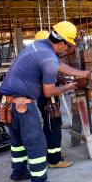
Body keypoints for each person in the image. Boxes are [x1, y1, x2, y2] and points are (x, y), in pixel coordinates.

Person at [0, 21, 90, 182]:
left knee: (18, 142)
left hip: (7, 103)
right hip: (22, 105)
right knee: (37, 144)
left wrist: (81, 74)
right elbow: (49, 92)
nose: (68, 49)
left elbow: (58, 64)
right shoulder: (48, 58)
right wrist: (68, 87)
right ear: (62, 42)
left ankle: (18, 172)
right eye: (68, 45)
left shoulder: (40, 45)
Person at [35, 30, 73, 168]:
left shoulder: (39, 57)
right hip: (48, 99)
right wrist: (66, 87)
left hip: (44, 98)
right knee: (54, 127)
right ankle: (54, 160)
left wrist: (61, 80)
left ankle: (52, 155)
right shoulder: (46, 58)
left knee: (49, 126)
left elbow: (54, 74)